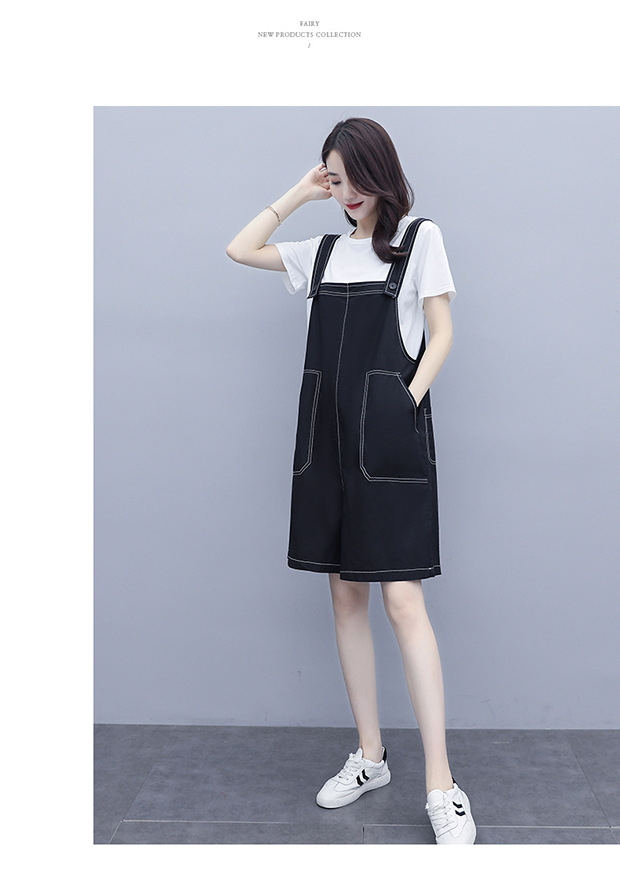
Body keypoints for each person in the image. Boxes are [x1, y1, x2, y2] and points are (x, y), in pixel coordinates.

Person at [226, 117, 476, 845]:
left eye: (351, 177)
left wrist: (406, 401)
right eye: (333, 179)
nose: (344, 192)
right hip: (327, 446)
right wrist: (299, 193)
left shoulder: (420, 239)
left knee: (403, 602)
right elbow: (240, 248)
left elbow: (442, 332)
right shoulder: (323, 252)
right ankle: (371, 756)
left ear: (381, 172)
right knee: (344, 596)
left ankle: (442, 784)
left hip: (388, 441)